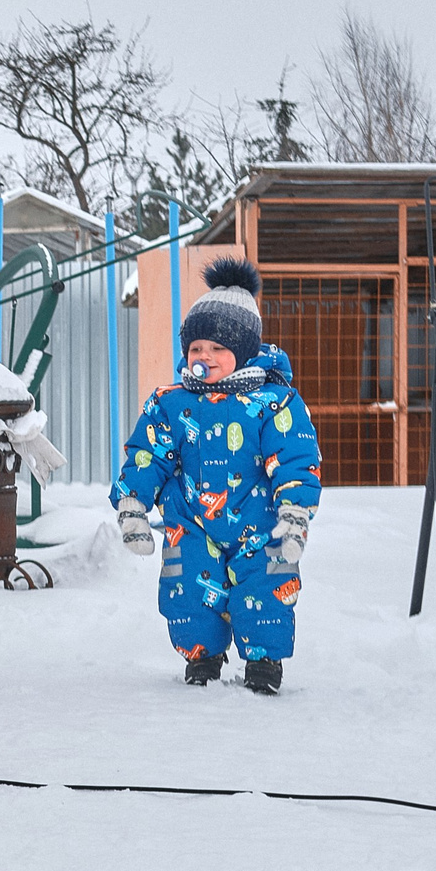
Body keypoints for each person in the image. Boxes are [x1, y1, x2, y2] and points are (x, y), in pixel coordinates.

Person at [110, 258, 322, 694]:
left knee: (266, 584)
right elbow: (149, 453)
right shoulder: (172, 403)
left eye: (217, 348)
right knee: (187, 587)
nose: (203, 357)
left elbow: (295, 456)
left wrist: (295, 511)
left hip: (258, 522)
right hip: (192, 521)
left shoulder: (273, 403)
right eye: (196, 348)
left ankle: (264, 662)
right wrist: (133, 504)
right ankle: (201, 655)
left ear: (243, 352)